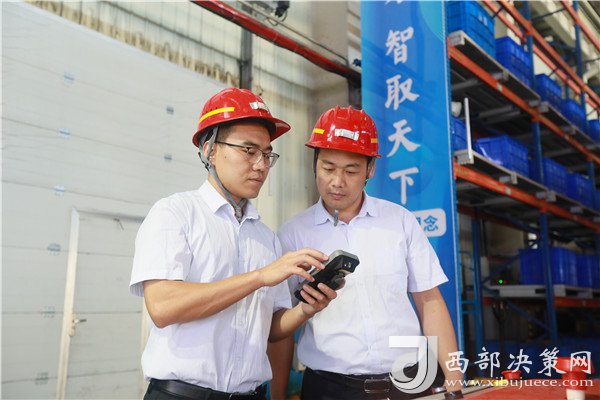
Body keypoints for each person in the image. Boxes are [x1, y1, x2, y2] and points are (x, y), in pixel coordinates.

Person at [130, 88, 340, 400]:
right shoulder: (175, 213)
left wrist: (306, 309)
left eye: (267, 154)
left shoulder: (265, 237)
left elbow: (270, 328)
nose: (261, 165)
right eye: (248, 150)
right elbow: (163, 306)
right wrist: (259, 277)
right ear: (210, 150)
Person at [268, 106, 463, 400]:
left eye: (351, 171)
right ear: (314, 164)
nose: (337, 181)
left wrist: (455, 383)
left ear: (370, 169)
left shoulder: (399, 222)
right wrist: (278, 396)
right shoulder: (292, 236)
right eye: (328, 168)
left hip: (409, 382)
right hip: (330, 390)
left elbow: (430, 301)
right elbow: (280, 328)